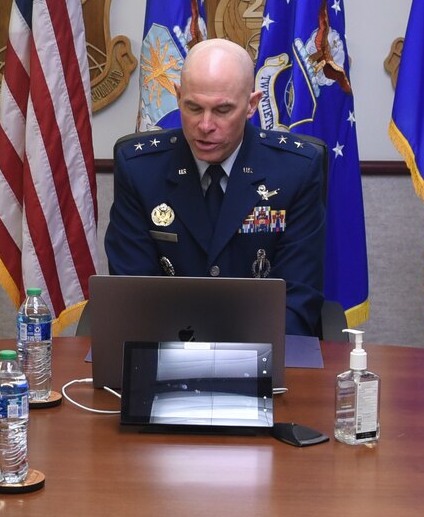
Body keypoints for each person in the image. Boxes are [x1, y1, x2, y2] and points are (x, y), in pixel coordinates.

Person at [105, 38, 328, 336]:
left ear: (251, 105)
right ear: (178, 96)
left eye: (222, 110)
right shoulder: (140, 169)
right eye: (193, 107)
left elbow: (297, 301)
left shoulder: (296, 170)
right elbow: (132, 295)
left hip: (262, 357)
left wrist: (235, 362)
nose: (205, 125)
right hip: (163, 355)